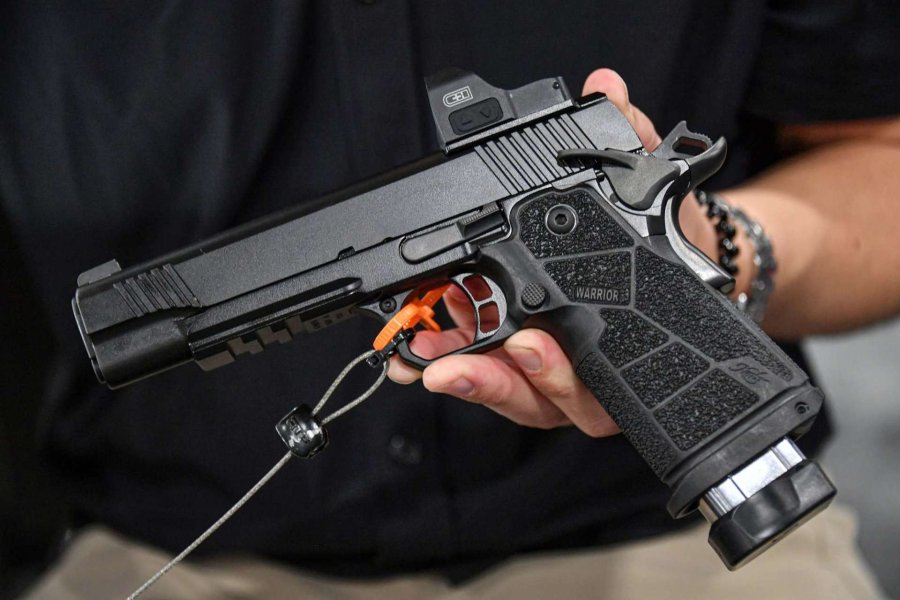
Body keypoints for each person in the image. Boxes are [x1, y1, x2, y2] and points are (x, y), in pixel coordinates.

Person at [1, 1, 896, 598]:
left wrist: (729, 248)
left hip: (644, 549)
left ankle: (747, 463)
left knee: (751, 483)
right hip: (172, 546)